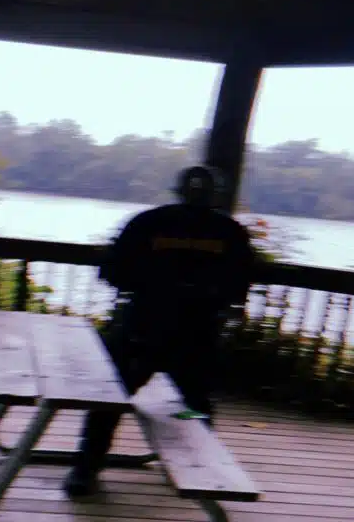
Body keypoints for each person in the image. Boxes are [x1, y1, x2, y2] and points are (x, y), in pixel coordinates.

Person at [64, 164, 258, 498]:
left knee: (111, 398)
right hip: (197, 333)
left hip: (143, 327)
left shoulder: (148, 222)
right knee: (195, 404)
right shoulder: (230, 232)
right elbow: (240, 282)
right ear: (217, 195)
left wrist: (152, 284)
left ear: (178, 190)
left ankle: (86, 469)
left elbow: (112, 272)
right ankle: (200, 470)